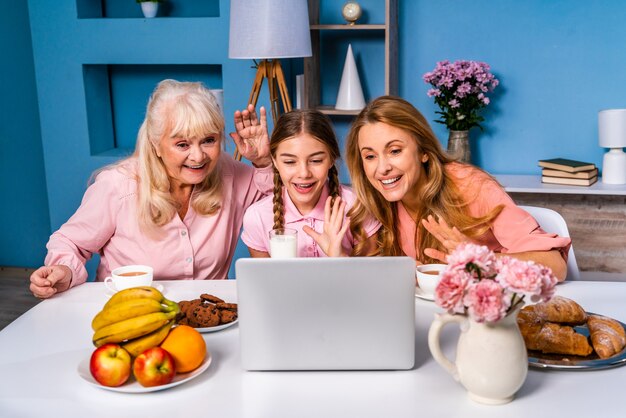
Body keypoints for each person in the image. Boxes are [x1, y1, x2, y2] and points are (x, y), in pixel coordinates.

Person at [30, 79, 273, 299]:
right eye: (182, 144)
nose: (198, 156)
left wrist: (263, 162)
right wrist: (63, 270)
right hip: (131, 317)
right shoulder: (118, 185)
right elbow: (70, 242)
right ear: (156, 144)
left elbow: (288, 209)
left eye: (209, 140)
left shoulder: (231, 174)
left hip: (207, 320)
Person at [345, 96, 570, 280]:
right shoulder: (374, 201)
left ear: (423, 152)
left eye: (395, 151)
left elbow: (555, 266)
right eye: (370, 156)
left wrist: (478, 259)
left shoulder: (472, 185)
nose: (382, 168)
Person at [241, 109, 380, 258]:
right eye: (289, 162)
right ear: (274, 161)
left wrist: (339, 256)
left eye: (316, 161)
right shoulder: (257, 217)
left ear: (331, 159)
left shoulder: (357, 206)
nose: (304, 173)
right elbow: (264, 280)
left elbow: (370, 278)